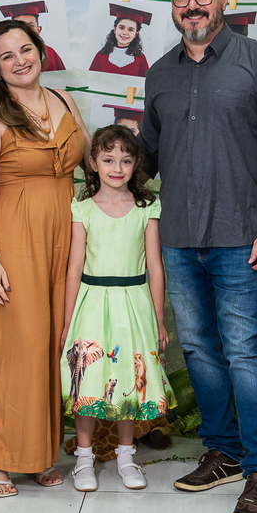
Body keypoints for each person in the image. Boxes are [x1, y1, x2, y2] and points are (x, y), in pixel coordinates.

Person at [141, 0, 257, 513]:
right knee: (198, 350)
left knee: (243, 350)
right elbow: (148, 158)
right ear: (172, 4)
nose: (192, 5)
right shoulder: (158, 74)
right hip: (179, 238)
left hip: (243, 238)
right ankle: (224, 453)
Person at [0, 18, 91, 497]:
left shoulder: (64, 101)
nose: (20, 60)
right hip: (16, 241)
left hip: (67, 238)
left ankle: (38, 453)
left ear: (40, 51)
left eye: (26, 49)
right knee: (19, 348)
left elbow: (92, 162)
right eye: (7, 56)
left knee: (53, 346)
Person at [60, 125, 173, 492]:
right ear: (93, 163)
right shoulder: (82, 208)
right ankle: (84, 459)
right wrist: (68, 321)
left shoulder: (146, 207)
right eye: (108, 160)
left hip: (133, 305)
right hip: (92, 304)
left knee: (129, 379)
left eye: (126, 160)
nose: (117, 168)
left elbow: (155, 266)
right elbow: (74, 268)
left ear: (136, 163)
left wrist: (158, 319)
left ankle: (126, 456)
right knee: (89, 379)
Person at [0, 1, 66, 71]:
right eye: (20, 26)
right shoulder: (6, 56)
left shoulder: (50, 53)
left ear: (38, 30)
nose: (25, 30)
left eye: (30, 26)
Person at [89, 3, 151, 77]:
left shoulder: (140, 59)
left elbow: (147, 82)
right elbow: (90, 79)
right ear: (115, 29)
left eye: (130, 30)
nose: (125, 33)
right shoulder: (101, 55)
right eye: (121, 28)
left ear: (136, 34)